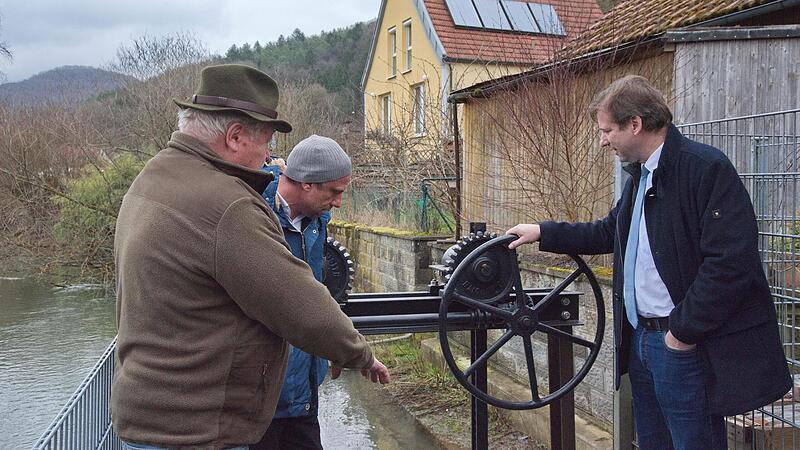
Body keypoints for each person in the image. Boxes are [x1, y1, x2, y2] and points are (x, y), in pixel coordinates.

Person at [112, 64, 390, 450]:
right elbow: (299, 306)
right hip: (197, 430)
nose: (268, 156)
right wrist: (359, 353)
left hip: (146, 415)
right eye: (265, 143)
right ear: (235, 136)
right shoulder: (226, 204)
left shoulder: (153, 178)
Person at [507, 75, 791, 449]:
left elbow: (730, 263)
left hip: (682, 346)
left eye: (607, 130)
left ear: (635, 124)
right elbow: (609, 232)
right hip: (642, 343)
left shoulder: (704, 169)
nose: (603, 140)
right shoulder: (641, 176)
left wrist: (682, 334)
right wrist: (544, 232)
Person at [253, 135, 352, 450]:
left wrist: (335, 345)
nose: (338, 202)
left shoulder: (316, 221)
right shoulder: (254, 214)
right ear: (307, 185)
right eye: (334, 192)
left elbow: (315, 296)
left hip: (302, 395)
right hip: (258, 402)